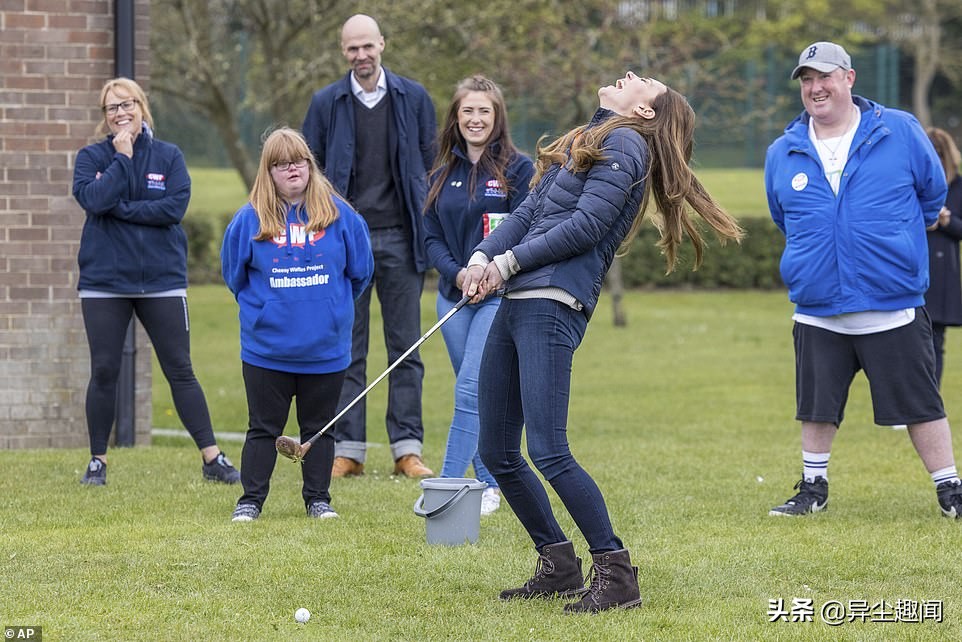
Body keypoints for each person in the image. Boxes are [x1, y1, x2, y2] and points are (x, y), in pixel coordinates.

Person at [461, 71, 743, 613]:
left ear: (643, 112)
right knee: (496, 449)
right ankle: (559, 563)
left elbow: (588, 226)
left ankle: (616, 573)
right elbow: (526, 214)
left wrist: (507, 262)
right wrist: (481, 258)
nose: (631, 75)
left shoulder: (626, 143)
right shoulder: (586, 141)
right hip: (519, 299)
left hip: (551, 303)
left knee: (547, 449)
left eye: (647, 82)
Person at [764, 41, 962, 519]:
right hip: (818, 306)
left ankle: (950, 489)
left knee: (922, 403)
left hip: (891, 302)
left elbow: (931, 192)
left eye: (824, 77)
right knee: (815, 406)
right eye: (807, 80)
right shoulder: (782, 150)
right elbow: (782, 217)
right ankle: (813, 487)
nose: (815, 88)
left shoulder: (898, 130)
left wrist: (888, 240)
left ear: (849, 79)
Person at [72, 77, 240, 487]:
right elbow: (93, 201)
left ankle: (212, 458)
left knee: (180, 369)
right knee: (105, 371)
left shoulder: (169, 156)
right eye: (112, 108)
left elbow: (173, 208)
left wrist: (119, 209)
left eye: (127, 104)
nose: (121, 113)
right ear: (105, 117)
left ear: (143, 106)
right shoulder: (92, 157)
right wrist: (123, 160)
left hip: (161, 282)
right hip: (104, 283)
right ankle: (97, 462)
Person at [302, 13, 437, 479]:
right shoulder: (325, 103)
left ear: (383, 44)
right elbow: (311, 175)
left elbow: (429, 168)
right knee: (347, 350)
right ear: (343, 52)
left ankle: (407, 450)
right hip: (344, 244)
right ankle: (349, 450)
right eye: (352, 48)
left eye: (368, 46)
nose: (361, 55)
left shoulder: (415, 98)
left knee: (405, 350)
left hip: (402, 239)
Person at [220, 128, 374, 522]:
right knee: (262, 427)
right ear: (267, 171)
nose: (293, 169)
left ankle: (318, 499)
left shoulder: (341, 216)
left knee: (319, 428)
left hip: (325, 349)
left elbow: (360, 273)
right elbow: (234, 276)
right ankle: (250, 501)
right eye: (281, 164)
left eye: (299, 161)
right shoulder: (249, 219)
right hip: (266, 351)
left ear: (310, 164)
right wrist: (266, 311)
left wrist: (330, 311)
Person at [423, 75, 535, 516]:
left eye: (483, 111)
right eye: (467, 111)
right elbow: (430, 236)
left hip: (497, 296)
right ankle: (490, 481)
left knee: (472, 387)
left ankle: (448, 489)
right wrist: (457, 275)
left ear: (497, 117)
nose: (475, 119)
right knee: (476, 391)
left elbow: (526, 227)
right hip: (452, 298)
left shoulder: (519, 169)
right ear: (456, 116)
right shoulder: (439, 171)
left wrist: (487, 274)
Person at [924, 127, 962, 386]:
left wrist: (947, 221)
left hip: (943, 272)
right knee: (910, 343)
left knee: (936, 342)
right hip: (914, 267)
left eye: (939, 153)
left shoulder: (958, 186)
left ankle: (929, 406)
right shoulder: (913, 183)